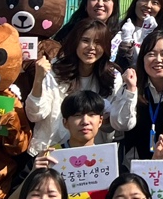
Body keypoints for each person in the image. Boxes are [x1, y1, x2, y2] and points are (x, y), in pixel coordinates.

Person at [25, 19, 132, 155]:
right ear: (75, 42)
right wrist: (38, 79)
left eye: (98, 42)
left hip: (92, 158)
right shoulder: (55, 70)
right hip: (51, 153)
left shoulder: (112, 78)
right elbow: (35, 114)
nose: (91, 47)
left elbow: (114, 126)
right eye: (85, 41)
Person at [121, 29, 163, 166]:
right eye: (151, 54)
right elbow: (121, 124)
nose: (158, 60)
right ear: (142, 59)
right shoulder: (132, 84)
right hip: (135, 164)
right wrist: (131, 91)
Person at [112, 0, 163, 68]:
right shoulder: (118, 28)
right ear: (136, 1)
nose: (148, 5)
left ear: (162, 9)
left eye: (155, 2)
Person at [55, 0, 119, 43]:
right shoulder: (68, 33)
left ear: (114, 6)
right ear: (85, 5)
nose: (100, 4)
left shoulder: (119, 36)